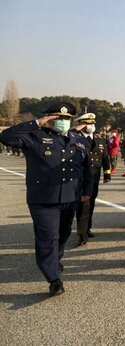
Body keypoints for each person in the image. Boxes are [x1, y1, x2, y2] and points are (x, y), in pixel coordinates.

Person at [0, 102, 93, 297]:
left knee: (63, 234)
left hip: (70, 196)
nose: (63, 122)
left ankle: (54, 263)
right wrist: (36, 123)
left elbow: (86, 169)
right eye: (58, 118)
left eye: (67, 119)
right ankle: (53, 278)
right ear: (49, 118)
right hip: (43, 198)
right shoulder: (34, 136)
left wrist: (87, 190)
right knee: (48, 237)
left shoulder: (78, 139)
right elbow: (5, 137)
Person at [70, 113, 112, 246]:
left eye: (92, 123)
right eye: (88, 124)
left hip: (94, 178)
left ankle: (87, 229)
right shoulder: (74, 138)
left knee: (91, 204)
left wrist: (107, 174)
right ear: (81, 125)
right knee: (83, 206)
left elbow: (105, 158)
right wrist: (75, 128)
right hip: (80, 179)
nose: (91, 126)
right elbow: (65, 135)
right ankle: (82, 235)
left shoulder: (100, 140)